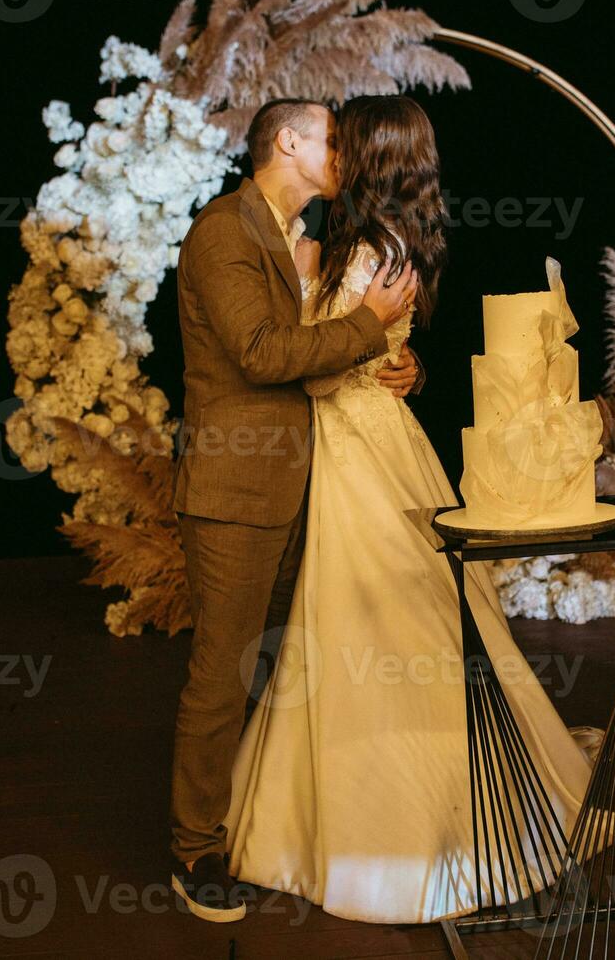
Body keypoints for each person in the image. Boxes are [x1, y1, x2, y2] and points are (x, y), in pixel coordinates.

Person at [221, 95, 604, 924]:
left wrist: (359, 341)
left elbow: (325, 371)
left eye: (343, 141)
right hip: (375, 441)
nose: (333, 153)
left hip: (359, 452)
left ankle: (404, 825)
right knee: (383, 626)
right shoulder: (381, 244)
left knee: (374, 628)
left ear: (370, 154)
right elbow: (376, 348)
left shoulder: (369, 251)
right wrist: (399, 360)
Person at [167, 97, 424, 922]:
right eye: (331, 139)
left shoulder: (297, 238)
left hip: (306, 483)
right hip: (237, 493)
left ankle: (265, 824)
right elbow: (261, 354)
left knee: (281, 669)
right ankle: (194, 850)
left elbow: (326, 346)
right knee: (223, 672)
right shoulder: (225, 232)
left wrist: (396, 356)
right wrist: (367, 325)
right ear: (288, 142)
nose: (344, 152)